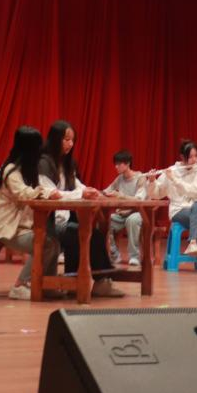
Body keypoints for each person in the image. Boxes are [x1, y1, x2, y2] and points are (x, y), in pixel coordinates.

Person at [38, 121, 123, 296]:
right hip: (48, 222)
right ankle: (92, 282)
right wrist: (81, 194)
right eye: (66, 139)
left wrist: (95, 193)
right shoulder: (44, 163)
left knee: (92, 233)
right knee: (81, 234)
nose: (70, 144)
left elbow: (79, 187)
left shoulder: (67, 164)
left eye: (72, 140)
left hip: (66, 219)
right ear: (56, 139)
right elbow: (52, 194)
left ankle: (98, 281)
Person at [0, 126, 62, 300]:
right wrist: (46, 192)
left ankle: (47, 285)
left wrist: (50, 192)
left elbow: (37, 189)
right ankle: (20, 285)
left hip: (21, 227)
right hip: (6, 228)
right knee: (44, 244)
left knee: (54, 244)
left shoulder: (28, 169)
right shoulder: (10, 170)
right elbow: (23, 193)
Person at [148, 140, 197, 274]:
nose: (194, 160)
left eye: (196, 156)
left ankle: (193, 242)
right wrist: (152, 181)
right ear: (183, 157)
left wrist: (175, 180)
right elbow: (156, 194)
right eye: (190, 157)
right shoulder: (172, 171)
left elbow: (195, 192)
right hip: (178, 211)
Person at [103, 150, 145, 267]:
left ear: (127, 163)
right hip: (121, 214)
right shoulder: (120, 178)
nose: (116, 166)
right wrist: (96, 192)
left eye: (119, 164)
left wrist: (120, 196)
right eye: (115, 164)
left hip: (137, 212)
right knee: (105, 221)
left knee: (132, 220)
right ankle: (114, 254)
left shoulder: (140, 177)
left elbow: (139, 199)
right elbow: (107, 190)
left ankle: (134, 256)